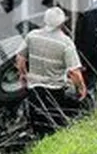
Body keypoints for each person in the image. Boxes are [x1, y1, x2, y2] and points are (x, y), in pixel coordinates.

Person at [16, 7, 87, 138]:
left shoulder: (32, 35)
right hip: (55, 90)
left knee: (37, 121)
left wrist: (23, 75)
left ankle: (37, 142)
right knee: (53, 124)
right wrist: (81, 88)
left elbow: (20, 59)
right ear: (61, 24)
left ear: (44, 21)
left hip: (34, 88)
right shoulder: (66, 43)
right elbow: (74, 72)